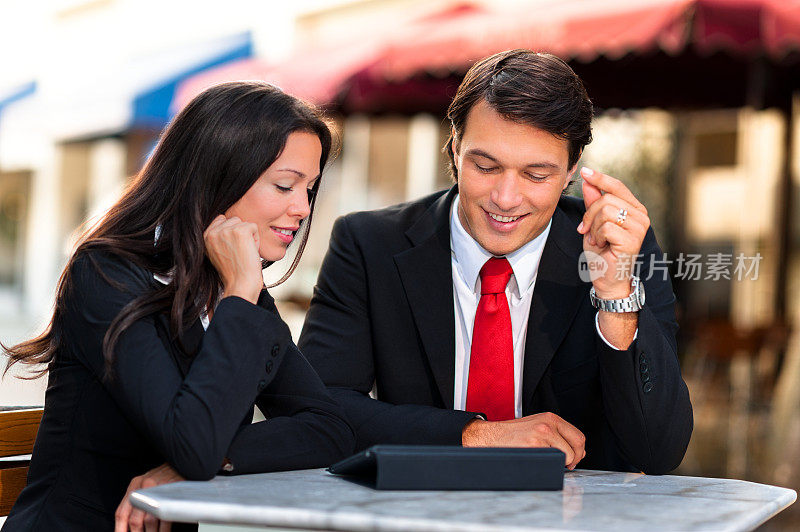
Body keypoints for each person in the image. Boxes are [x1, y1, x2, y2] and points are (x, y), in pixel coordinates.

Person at [298, 50, 692, 474]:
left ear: (572, 169)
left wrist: (615, 295)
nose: (505, 199)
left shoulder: (617, 247)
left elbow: (658, 451)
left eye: (536, 175)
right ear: (454, 149)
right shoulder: (368, 244)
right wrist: (474, 435)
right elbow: (319, 411)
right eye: (485, 166)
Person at [2, 81, 355, 531]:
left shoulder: (237, 291)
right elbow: (194, 445)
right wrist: (242, 293)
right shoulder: (107, 274)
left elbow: (329, 429)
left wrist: (208, 462)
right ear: (218, 176)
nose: (303, 208)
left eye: (309, 189)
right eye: (285, 186)